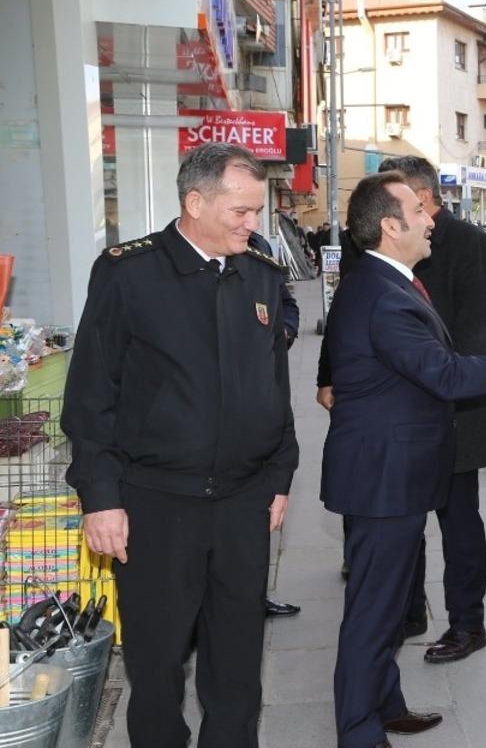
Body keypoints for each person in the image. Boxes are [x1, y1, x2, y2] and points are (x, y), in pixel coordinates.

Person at [61, 143, 299, 748]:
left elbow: (274, 390)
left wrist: (279, 476)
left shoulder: (262, 276)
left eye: (256, 211)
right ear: (195, 203)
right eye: (241, 212)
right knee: (157, 662)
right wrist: (100, 496)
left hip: (244, 504)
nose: (253, 223)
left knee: (238, 661)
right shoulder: (129, 273)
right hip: (155, 506)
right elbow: (91, 396)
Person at [320, 171, 486, 748]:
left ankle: (385, 703)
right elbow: (443, 373)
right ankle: (358, 731)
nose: (430, 219)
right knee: (374, 611)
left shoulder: (387, 280)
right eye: (419, 211)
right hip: (383, 478)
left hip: (394, 470)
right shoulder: (382, 293)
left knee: (389, 603)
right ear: (391, 226)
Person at [375, 155, 486, 664]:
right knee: (402, 518)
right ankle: (409, 611)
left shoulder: (472, 246)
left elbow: (472, 337)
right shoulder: (383, 239)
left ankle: (468, 624)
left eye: (393, 194)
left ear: (422, 197)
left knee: (459, 523)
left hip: (456, 411)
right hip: (397, 412)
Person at [244, 230, 303, 620]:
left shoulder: (260, 250)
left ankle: (254, 595)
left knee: (259, 511)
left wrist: (286, 331)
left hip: (261, 399)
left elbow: (286, 302)